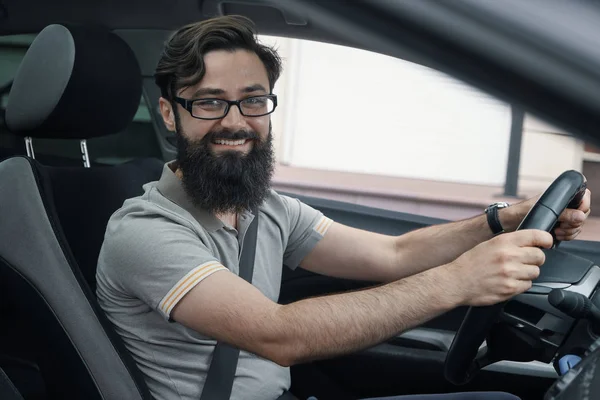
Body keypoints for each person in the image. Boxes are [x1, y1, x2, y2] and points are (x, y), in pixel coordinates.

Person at [95, 15, 591, 400]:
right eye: (208, 103)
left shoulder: (264, 209)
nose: (236, 122)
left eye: (252, 100)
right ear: (169, 113)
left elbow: (393, 254)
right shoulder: (145, 231)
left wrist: (502, 219)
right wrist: (459, 280)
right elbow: (278, 335)